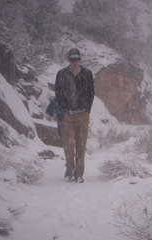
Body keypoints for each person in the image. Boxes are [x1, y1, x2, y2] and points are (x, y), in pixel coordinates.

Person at [55, 48, 95, 183]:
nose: (74, 62)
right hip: (67, 114)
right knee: (68, 144)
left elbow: (91, 93)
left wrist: (87, 109)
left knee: (81, 144)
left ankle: (79, 173)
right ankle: (69, 168)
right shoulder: (61, 74)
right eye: (72, 59)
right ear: (68, 59)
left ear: (80, 59)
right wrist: (63, 108)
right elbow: (58, 93)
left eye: (76, 59)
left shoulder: (87, 73)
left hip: (83, 114)